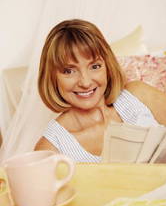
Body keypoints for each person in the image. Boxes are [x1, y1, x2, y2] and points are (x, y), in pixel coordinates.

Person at [34, 19, 158, 162]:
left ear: (107, 66)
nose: (85, 83)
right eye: (69, 71)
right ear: (52, 77)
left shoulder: (140, 95)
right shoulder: (50, 148)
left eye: (95, 66)